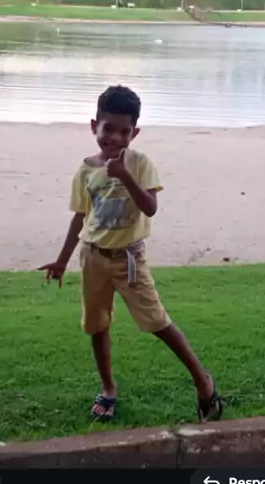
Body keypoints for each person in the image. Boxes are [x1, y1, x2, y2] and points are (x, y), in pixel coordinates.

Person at [39, 84, 222, 423]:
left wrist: (124, 176)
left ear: (134, 133)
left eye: (124, 131)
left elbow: (150, 207)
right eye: (108, 128)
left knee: (158, 322)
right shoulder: (85, 170)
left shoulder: (139, 164)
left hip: (129, 260)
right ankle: (109, 388)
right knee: (97, 325)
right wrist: (62, 260)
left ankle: (203, 381)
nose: (115, 137)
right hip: (93, 257)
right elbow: (80, 216)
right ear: (94, 126)